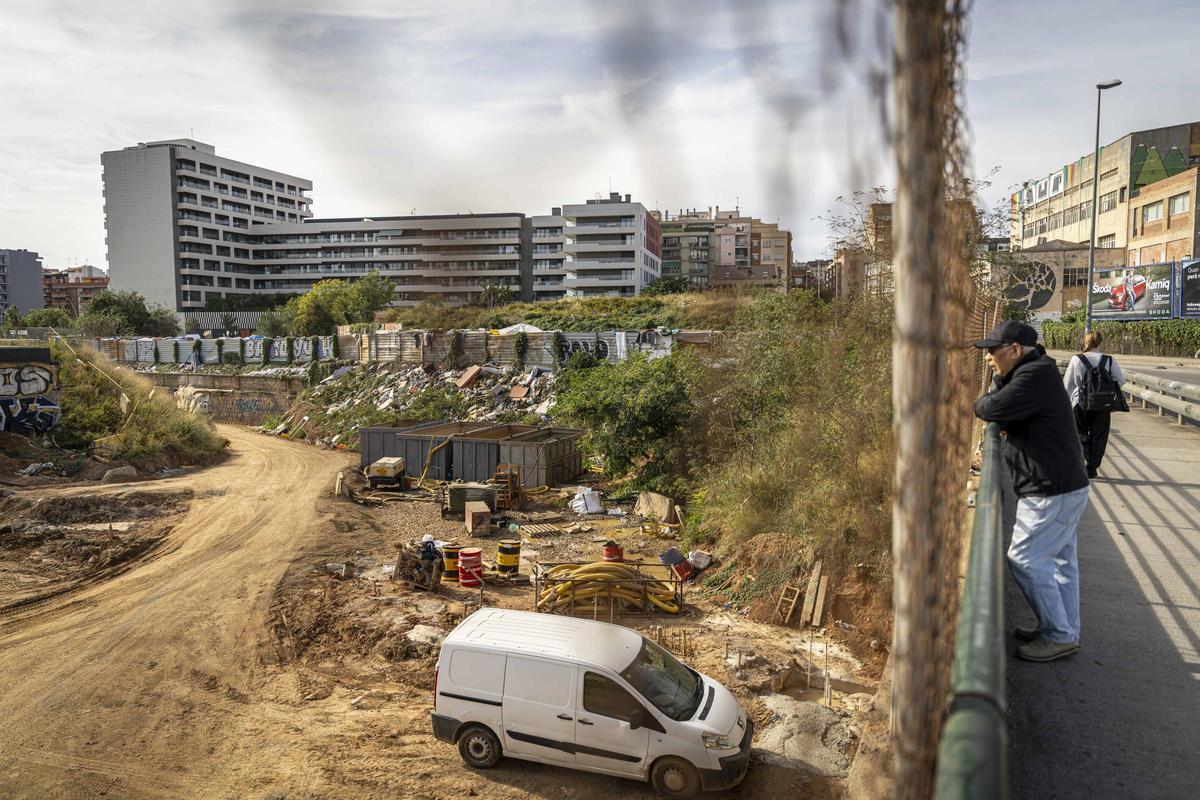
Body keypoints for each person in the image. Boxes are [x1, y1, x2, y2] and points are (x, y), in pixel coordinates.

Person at [974, 320, 1090, 662]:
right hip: (1064, 485)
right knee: (1059, 563)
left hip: (1049, 489)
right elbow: (1003, 406)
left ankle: (1059, 634)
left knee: (1024, 559)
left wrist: (997, 397)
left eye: (994, 351)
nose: (988, 358)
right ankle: (1063, 629)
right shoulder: (1036, 371)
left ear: (1014, 350)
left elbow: (988, 408)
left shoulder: (1032, 376)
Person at [1063, 330, 1125, 478]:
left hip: (1080, 402)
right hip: (1102, 404)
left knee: (1080, 433)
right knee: (1099, 435)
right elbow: (1121, 381)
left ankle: (1082, 462)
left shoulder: (1076, 359)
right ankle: (1092, 467)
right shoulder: (1109, 360)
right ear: (1100, 342)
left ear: (1086, 342)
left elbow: (1067, 384)